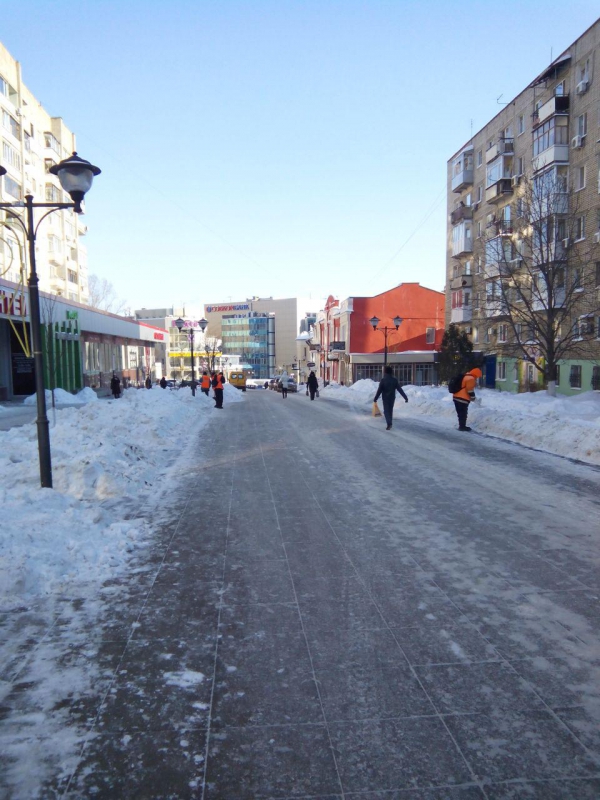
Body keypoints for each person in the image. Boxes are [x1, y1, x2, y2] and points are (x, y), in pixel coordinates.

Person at [373, 366, 408, 430]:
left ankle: (389, 423)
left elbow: (379, 390)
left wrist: (376, 398)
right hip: (392, 398)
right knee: (390, 410)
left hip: (385, 398)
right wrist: (405, 397)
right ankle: (390, 423)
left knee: (386, 411)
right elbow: (400, 389)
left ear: (385, 372)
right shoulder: (394, 380)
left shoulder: (383, 380)